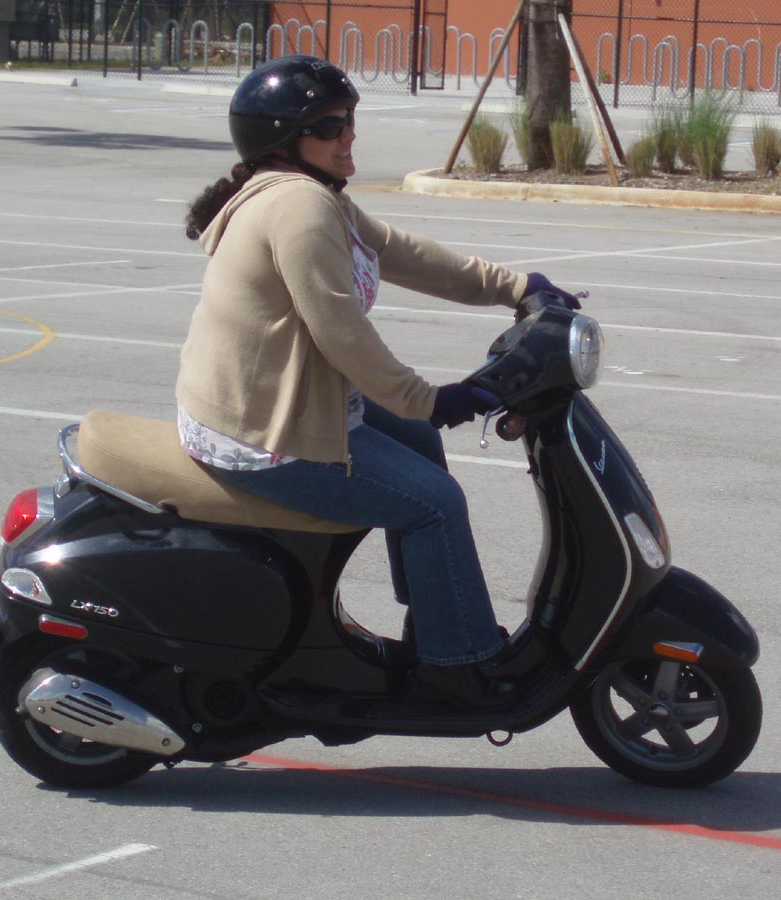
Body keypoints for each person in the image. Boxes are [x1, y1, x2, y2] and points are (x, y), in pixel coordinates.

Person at [177, 55, 578, 708]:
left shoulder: (314, 195)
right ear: (284, 140)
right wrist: (432, 399)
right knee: (435, 502)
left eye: (348, 118)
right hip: (263, 433)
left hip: (273, 401)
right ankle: (458, 667)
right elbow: (340, 332)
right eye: (328, 125)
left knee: (418, 442)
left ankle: (434, 617)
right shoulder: (298, 208)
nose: (348, 133)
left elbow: (397, 250)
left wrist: (516, 286)